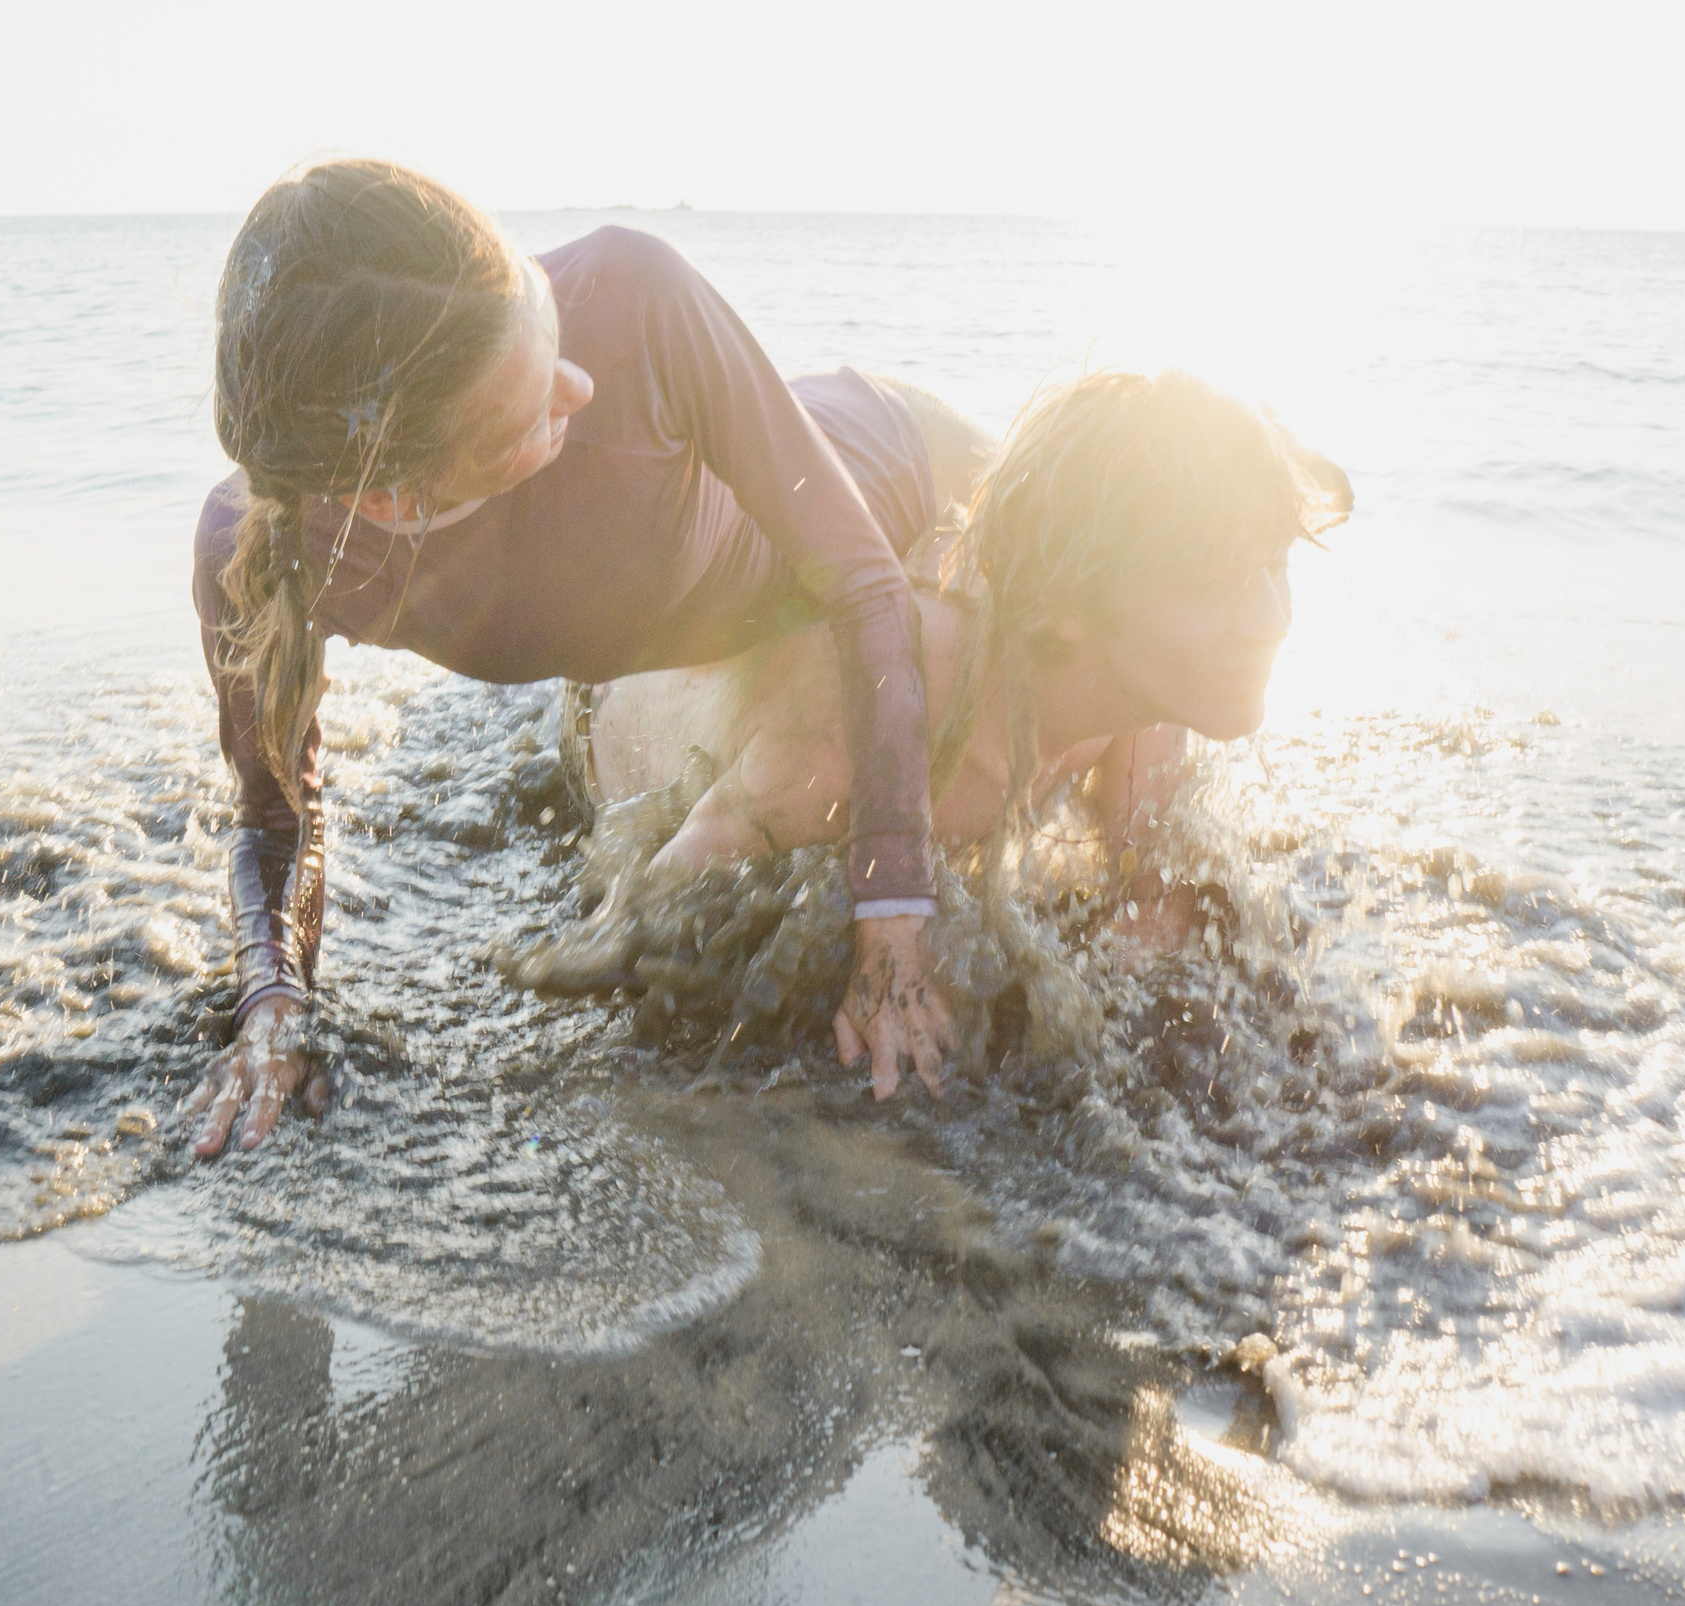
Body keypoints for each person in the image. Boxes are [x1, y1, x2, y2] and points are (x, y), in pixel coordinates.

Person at [181, 161, 961, 1156]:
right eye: (529, 413)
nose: (579, 385)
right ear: (393, 504)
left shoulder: (632, 294)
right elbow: (272, 815)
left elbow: (864, 587)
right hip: (692, 605)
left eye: (542, 316)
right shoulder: (263, 550)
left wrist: (889, 914)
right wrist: (273, 1004)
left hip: (894, 463)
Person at [579, 369, 1349, 960]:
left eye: (1274, 563)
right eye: (1212, 583)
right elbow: (658, 898)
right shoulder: (877, 716)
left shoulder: (1148, 695)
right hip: (648, 642)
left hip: (937, 476)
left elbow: (1149, 892)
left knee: (1048, 513)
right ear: (1067, 608)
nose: (1274, 624)